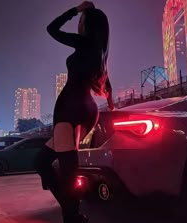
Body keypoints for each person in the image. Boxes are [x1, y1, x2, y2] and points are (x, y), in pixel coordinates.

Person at [35, 1, 114, 223]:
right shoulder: (99, 52)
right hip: (85, 109)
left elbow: (51, 29)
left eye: (81, 21)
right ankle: (73, 211)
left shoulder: (83, 43)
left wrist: (76, 9)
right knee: (42, 162)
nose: (79, 24)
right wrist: (112, 105)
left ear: (88, 24)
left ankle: (73, 216)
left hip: (70, 109)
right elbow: (107, 87)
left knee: (67, 170)